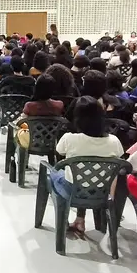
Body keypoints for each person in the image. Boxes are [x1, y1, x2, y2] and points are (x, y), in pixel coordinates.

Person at [51, 97, 125, 236]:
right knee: (87, 178)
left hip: (73, 190)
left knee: (53, 174)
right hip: (101, 191)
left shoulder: (69, 138)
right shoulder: (114, 141)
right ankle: (80, 219)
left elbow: (59, 151)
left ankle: (63, 222)